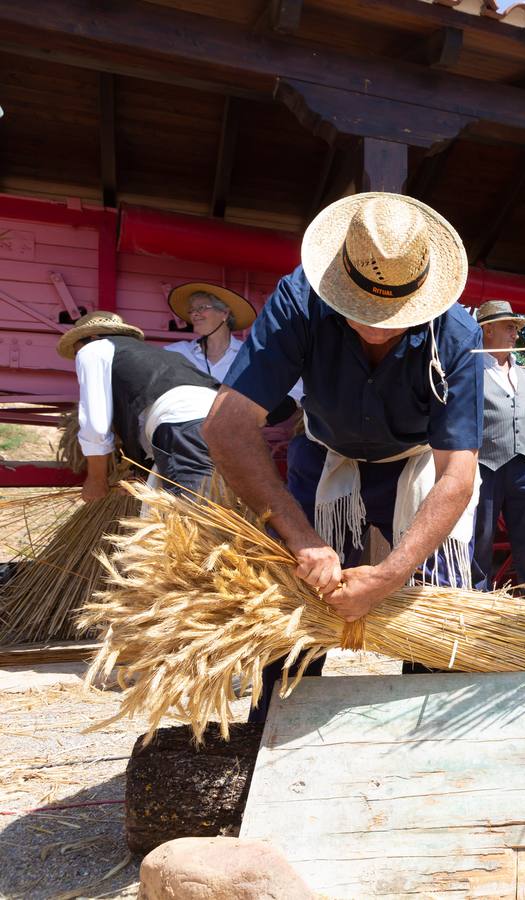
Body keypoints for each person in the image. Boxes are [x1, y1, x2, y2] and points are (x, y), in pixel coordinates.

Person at [202, 192, 483, 719]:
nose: (376, 327)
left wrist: (388, 576)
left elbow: (457, 475)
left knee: (437, 608)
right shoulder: (299, 301)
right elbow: (226, 426)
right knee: (295, 614)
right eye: (362, 311)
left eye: (394, 314)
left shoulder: (458, 332)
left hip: (417, 464)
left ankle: (418, 740)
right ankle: (275, 737)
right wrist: (303, 539)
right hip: (327, 454)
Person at [58, 311, 218, 501]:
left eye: (76, 351)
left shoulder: (92, 349)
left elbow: (96, 426)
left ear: (91, 337)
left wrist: (96, 480)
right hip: (221, 419)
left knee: (194, 518)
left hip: (182, 426)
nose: (77, 356)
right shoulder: (160, 355)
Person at [471, 300, 525, 604]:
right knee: (482, 537)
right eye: (509, 327)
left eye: (516, 328)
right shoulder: (471, 371)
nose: (515, 333)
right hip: (485, 467)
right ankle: (479, 601)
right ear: (487, 330)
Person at [163, 283, 255, 380]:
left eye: (201, 308)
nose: (194, 314)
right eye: (191, 310)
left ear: (225, 313)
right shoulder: (176, 353)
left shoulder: (248, 356)